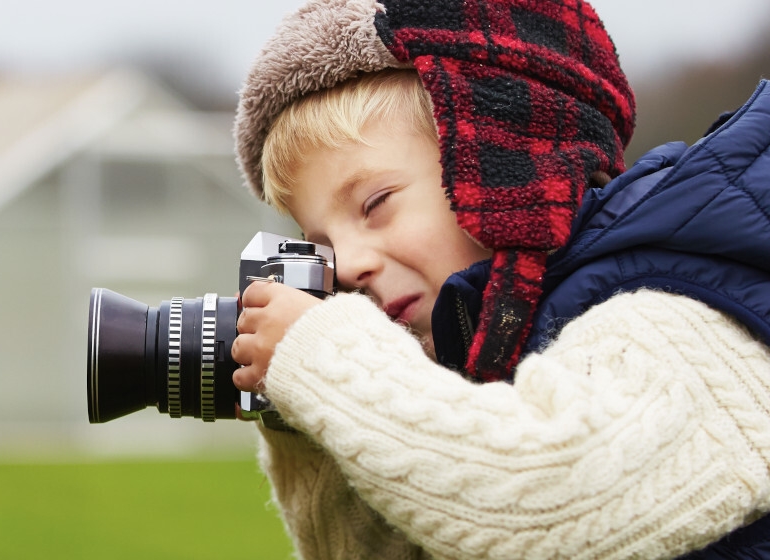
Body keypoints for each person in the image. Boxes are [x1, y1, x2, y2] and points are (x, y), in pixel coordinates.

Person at [227, 0, 770, 558]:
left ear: (503, 157)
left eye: (375, 203)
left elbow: (547, 507)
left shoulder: (684, 309)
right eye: (322, 245)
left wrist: (325, 360)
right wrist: (305, 413)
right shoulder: (483, 351)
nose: (346, 265)